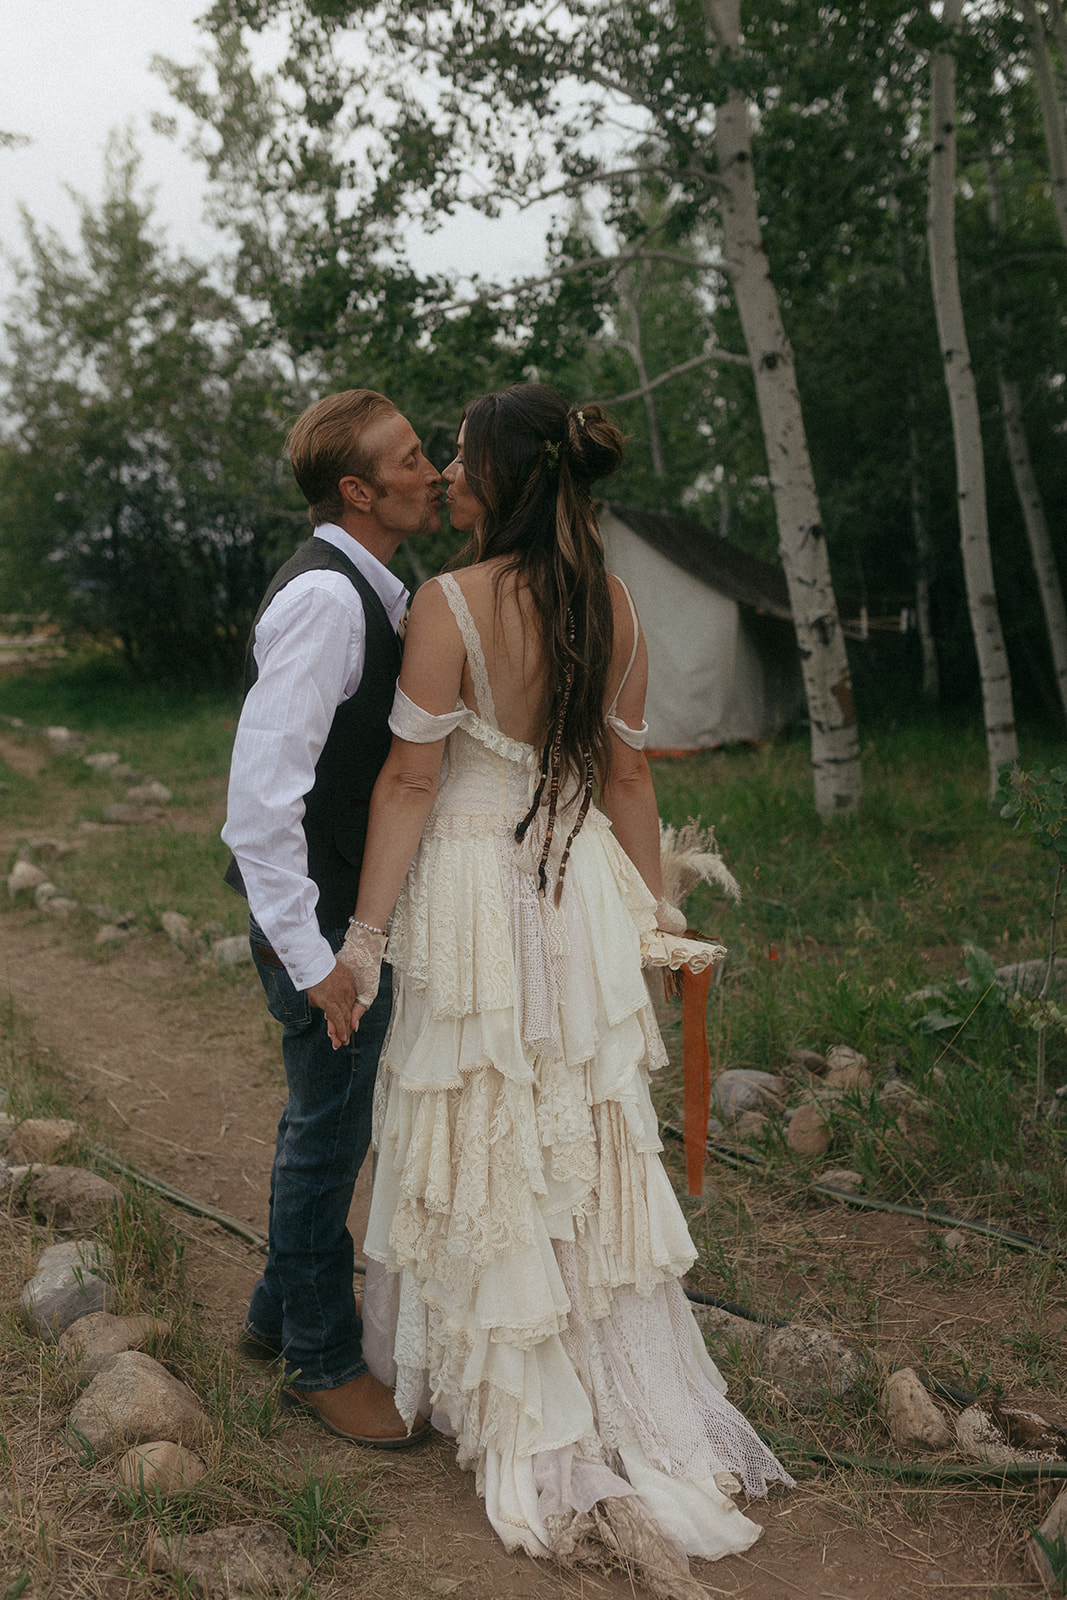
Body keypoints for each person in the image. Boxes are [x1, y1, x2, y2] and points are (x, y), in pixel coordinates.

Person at [337, 384, 793, 1588]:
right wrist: (653, 918)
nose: (442, 467)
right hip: (576, 881)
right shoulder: (619, 606)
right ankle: (600, 1373)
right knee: (578, 1132)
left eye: (457, 453)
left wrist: (363, 936)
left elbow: (406, 784)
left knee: (481, 1118)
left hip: (476, 897)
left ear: (497, 477)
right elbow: (629, 784)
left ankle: (504, 1384)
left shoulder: (449, 604)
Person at [221, 388, 439, 1448]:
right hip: (309, 915)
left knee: (329, 1112)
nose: (432, 468)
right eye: (408, 459)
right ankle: (319, 1352)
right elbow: (260, 802)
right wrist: (315, 959)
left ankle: (271, 1315)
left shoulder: (374, 585)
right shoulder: (324, 600)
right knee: (328, 1130)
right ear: (358, 490)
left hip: (334, 902)